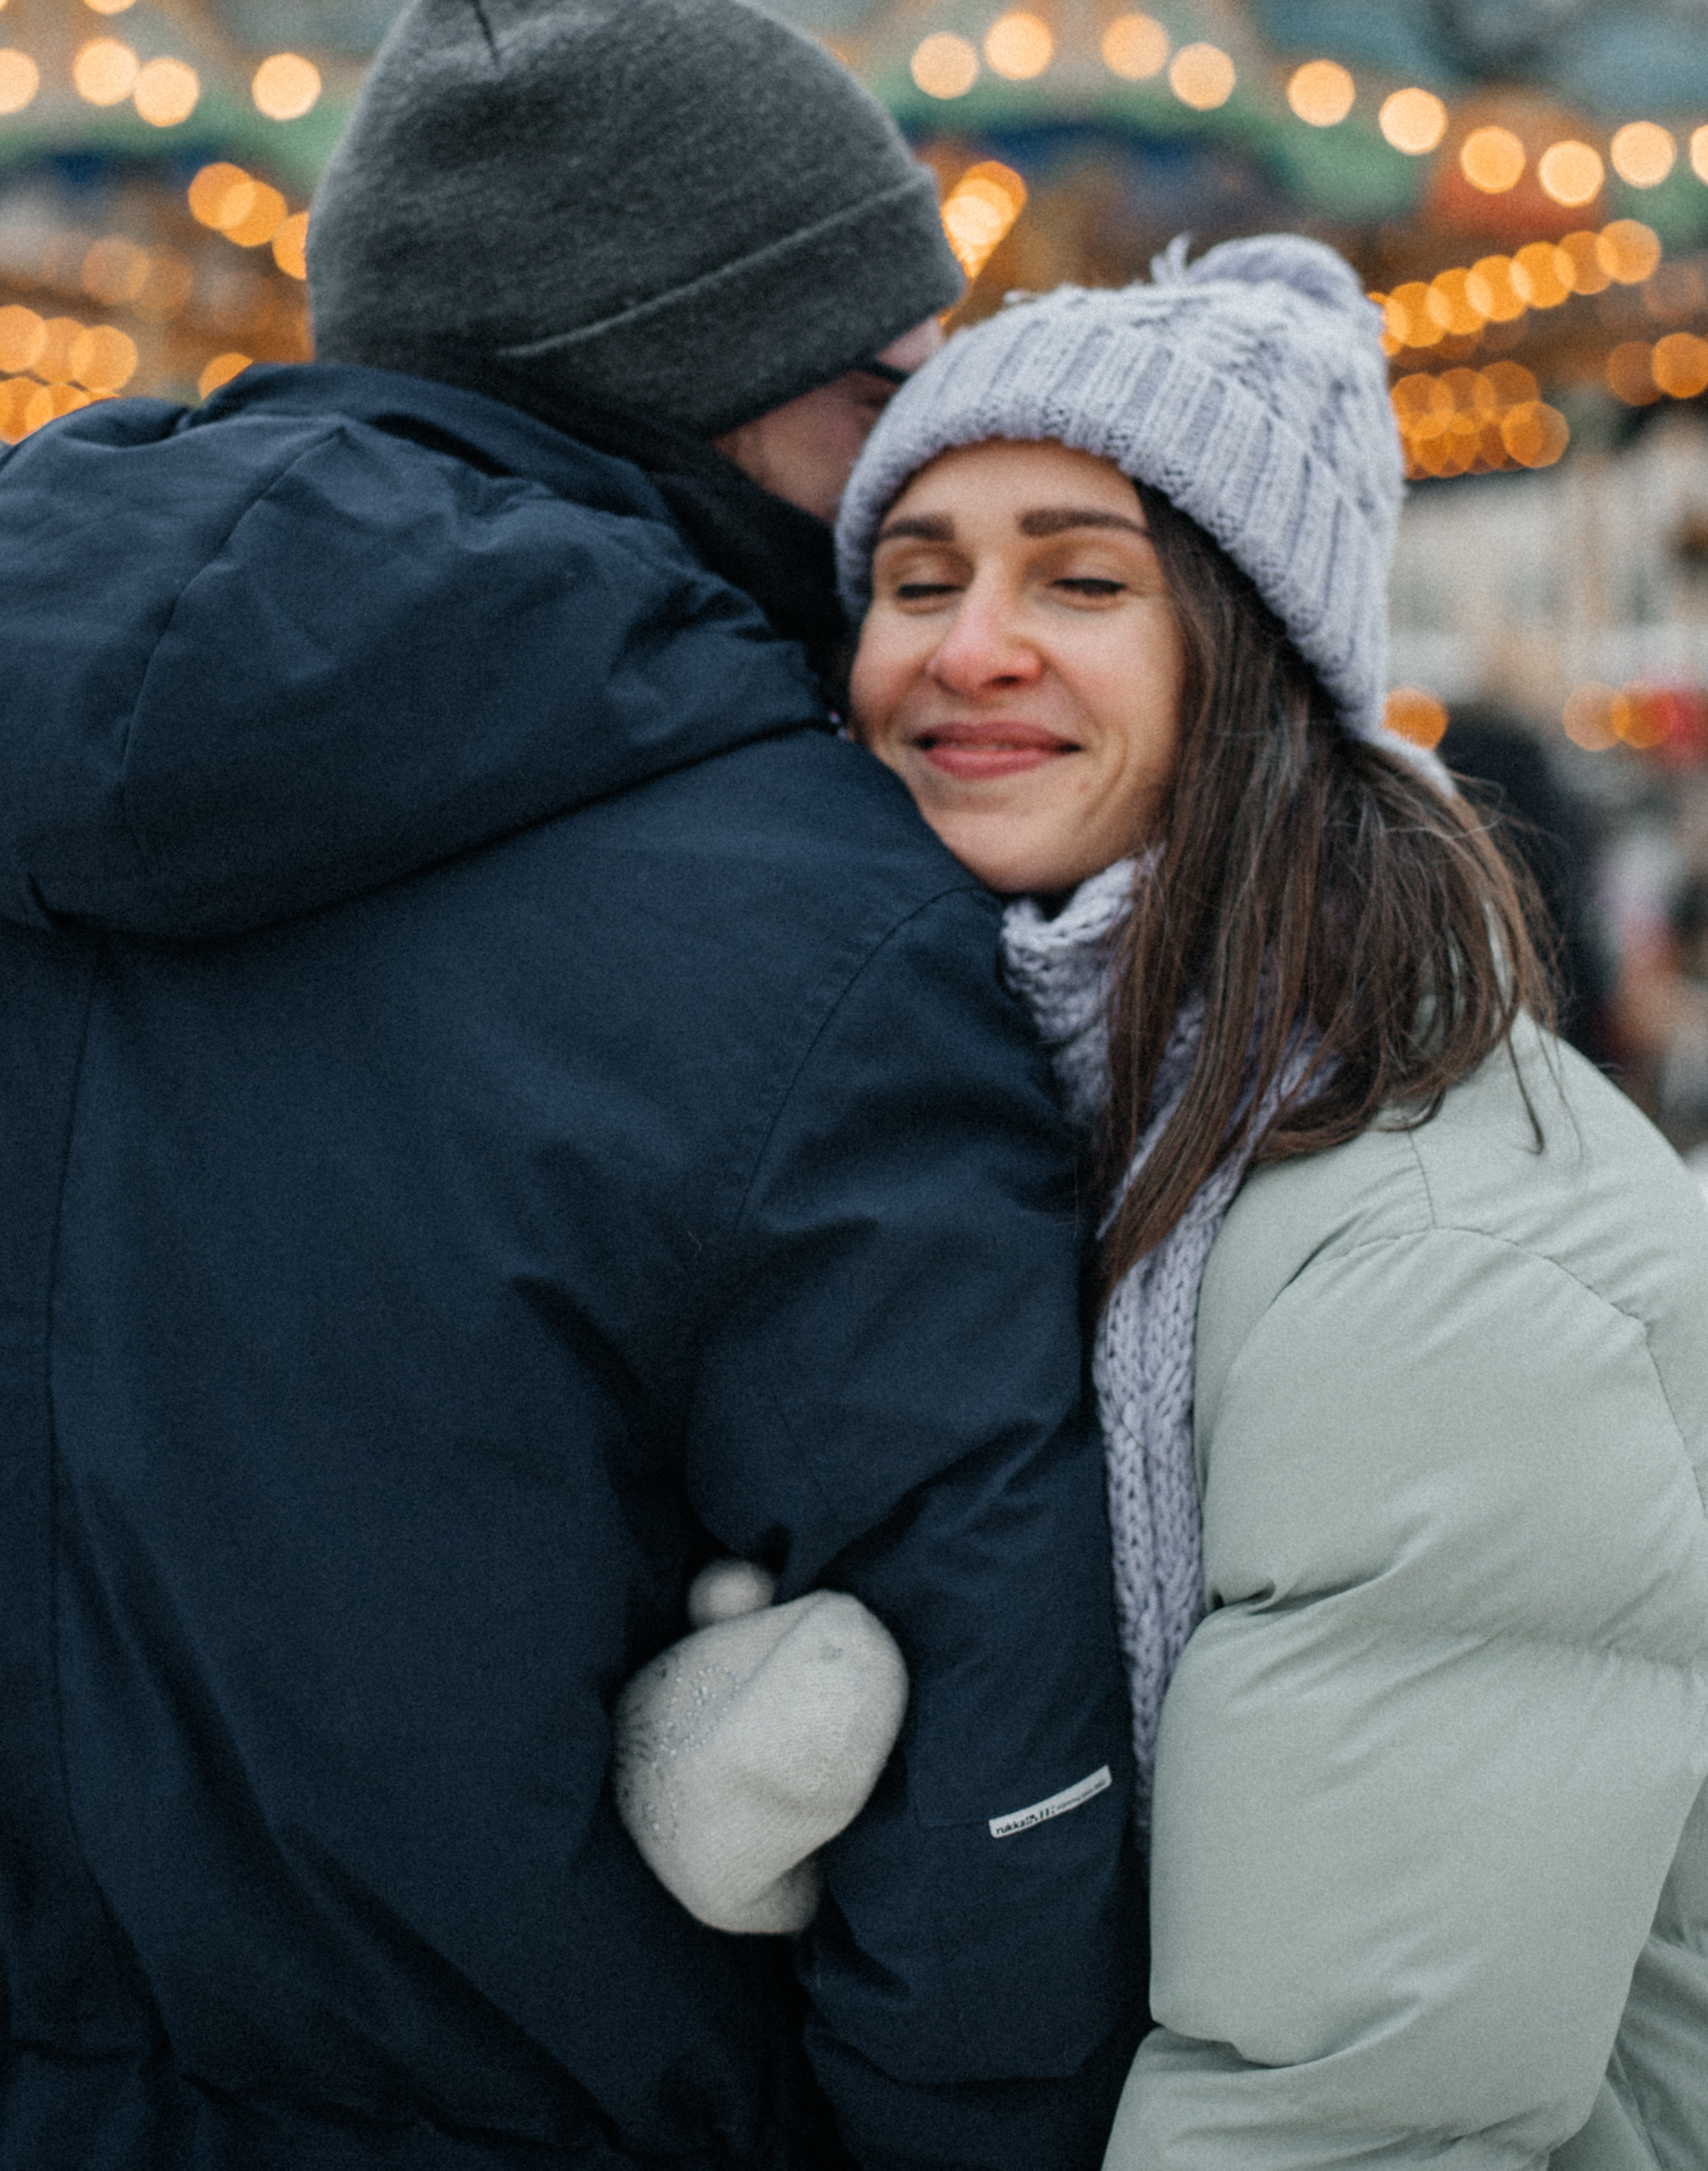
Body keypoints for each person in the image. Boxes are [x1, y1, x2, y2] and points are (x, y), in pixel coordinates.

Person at [0, 0, 1145, 2170]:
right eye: (887, 381)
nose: (917, 451)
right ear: (709, 383)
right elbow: (990, 1758)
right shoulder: (827, 916)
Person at [624, 233, 1708, 2164]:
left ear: (1257, 649)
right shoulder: (1028, 1113)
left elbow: (1359, 2102)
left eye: (1084, 576)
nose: (969, 647)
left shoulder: (1426, 1252)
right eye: (917, 577)